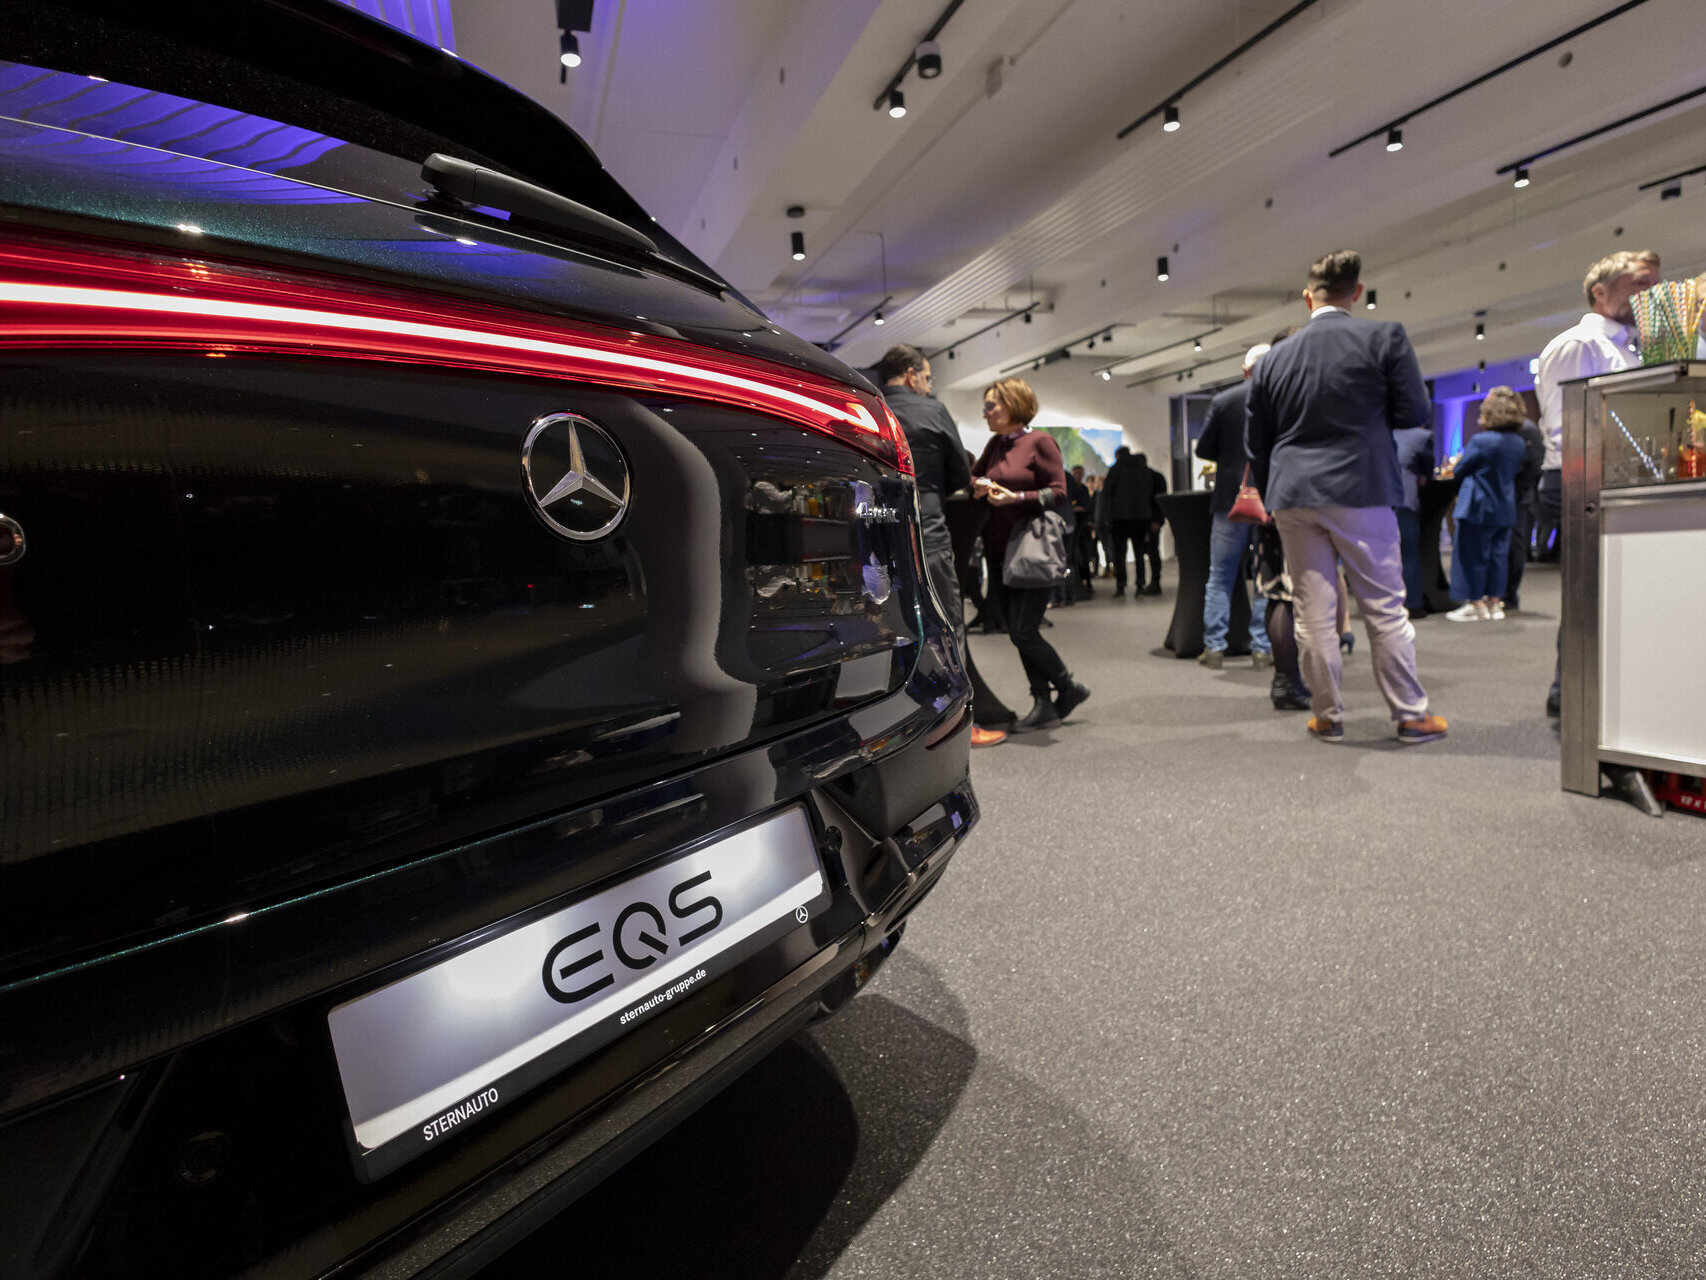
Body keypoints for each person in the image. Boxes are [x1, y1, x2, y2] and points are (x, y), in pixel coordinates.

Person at [1245, 248, 1447, 745]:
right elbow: (1412, 411)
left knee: (1312, 611)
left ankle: (1327, 716)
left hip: (1293, 492)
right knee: (1382, 606)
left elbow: (1258, 441)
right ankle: (1411, 715)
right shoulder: (1384, 337)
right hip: (1362, 487)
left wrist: (1274, 495)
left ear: (1306, 297)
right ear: (1357, 292)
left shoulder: (1273, 359)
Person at [1535, 250, 1660, 715]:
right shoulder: (1578, 344)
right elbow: (1567, 430)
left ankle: (1596, 687)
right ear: (1600, 292)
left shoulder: (1633, 346)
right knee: (1590, 591)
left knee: (1617, 590)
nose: (1650, 295)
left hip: (1621, 481)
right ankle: (1571, 690)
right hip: (1581, 481)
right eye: (1639, 285)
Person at [877, 344, 1005, 747]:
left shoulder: (868, 406)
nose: (929, 386)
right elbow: (958, 475)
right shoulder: (931, 410)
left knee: (890, 635)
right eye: (928, 378)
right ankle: (960, 728)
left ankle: (896, 732)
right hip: (925, 534)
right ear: (913, 375)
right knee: (947, 630)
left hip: (874, 539)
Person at [971, 378, 1090, 733]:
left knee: (1023, 631)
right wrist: (977, 486)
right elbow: (974, 477)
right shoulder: (995, 444)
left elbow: (1058, 493)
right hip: (999, 549)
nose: (985, 412)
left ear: (1013, 405)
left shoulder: (1041, 442)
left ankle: (1068, 687)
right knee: (1016, 631)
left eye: (992, 405)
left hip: (1031, 548)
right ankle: (1043, 702)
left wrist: (1016, 499)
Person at [1193, 340, 1278, 669]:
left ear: (1245, 371)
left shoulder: (1224, 401)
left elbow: (1203, 450)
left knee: (1220, 576)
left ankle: (1214, 647)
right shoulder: (1279, 403)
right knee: (1264, 575)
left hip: (1229, 500)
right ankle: (1261, 647)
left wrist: (1229, 457)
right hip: (1269, 501)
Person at [1445, 388, 1529, 622]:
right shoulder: (1518, 442)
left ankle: (1475, 604)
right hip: (1505, 507)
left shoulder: (1481, 441)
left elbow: (1460, 470)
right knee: (1498, 558)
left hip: (1477, 507)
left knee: (1471, 556)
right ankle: (1495, 603)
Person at [1504, 410, 1545, 611]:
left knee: (1516, 544)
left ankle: (1510, 595)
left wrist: (1520, 488)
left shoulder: (1527, 429)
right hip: (1507, 496)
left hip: (1520, 496)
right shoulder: (1506, 430)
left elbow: (1536, 465)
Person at [1101, 446, 1155, 598]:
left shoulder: (1115, 469)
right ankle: (1140, 585)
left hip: (1120, 518)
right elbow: (1149, 491)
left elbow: (1107, 492)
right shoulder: (1143, 469)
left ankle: (1121, 585)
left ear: (1118, 455)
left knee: (1120, 554)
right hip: (1141, 516)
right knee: (1139, 554)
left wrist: (1106, 516)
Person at [1392, 424, 1434, 616]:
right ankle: (1413, 603)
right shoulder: (1421, 437)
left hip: (1377, 502)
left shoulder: (1379, 431)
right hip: (1405, 500)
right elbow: (1427, 470)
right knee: (1408, 553)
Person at [1139, 453, 1169, 593]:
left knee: (1152, 551)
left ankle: (1154, 582)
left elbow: (1158, 501)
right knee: (1152, 551)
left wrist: (1156, 520)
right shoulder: (1156, 476)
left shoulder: (1148, 478)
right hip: (1152, 520)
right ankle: (1153, 581)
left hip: (1149, 520)